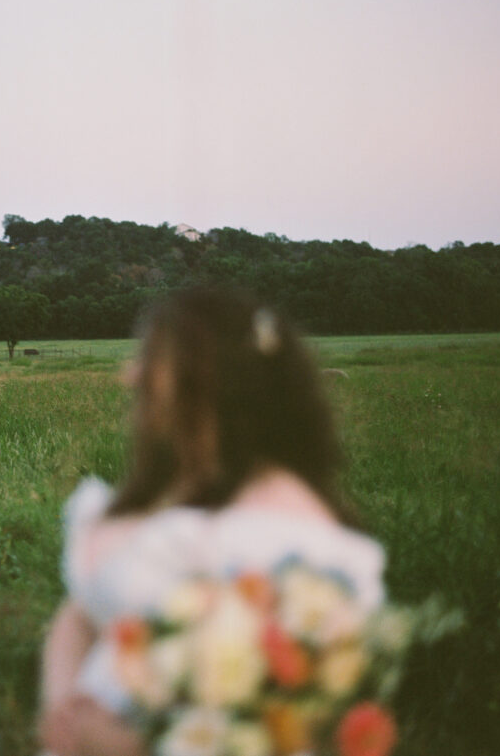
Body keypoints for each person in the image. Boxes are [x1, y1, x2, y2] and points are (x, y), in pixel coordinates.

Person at [37, 288, 386, 756]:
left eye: (153, 360)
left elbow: (263, 722)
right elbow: (82, 613)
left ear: (212, 381)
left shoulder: (289, 538)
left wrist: (114, 744)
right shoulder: (166, 493)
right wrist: (62, 702)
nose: (130, 375)